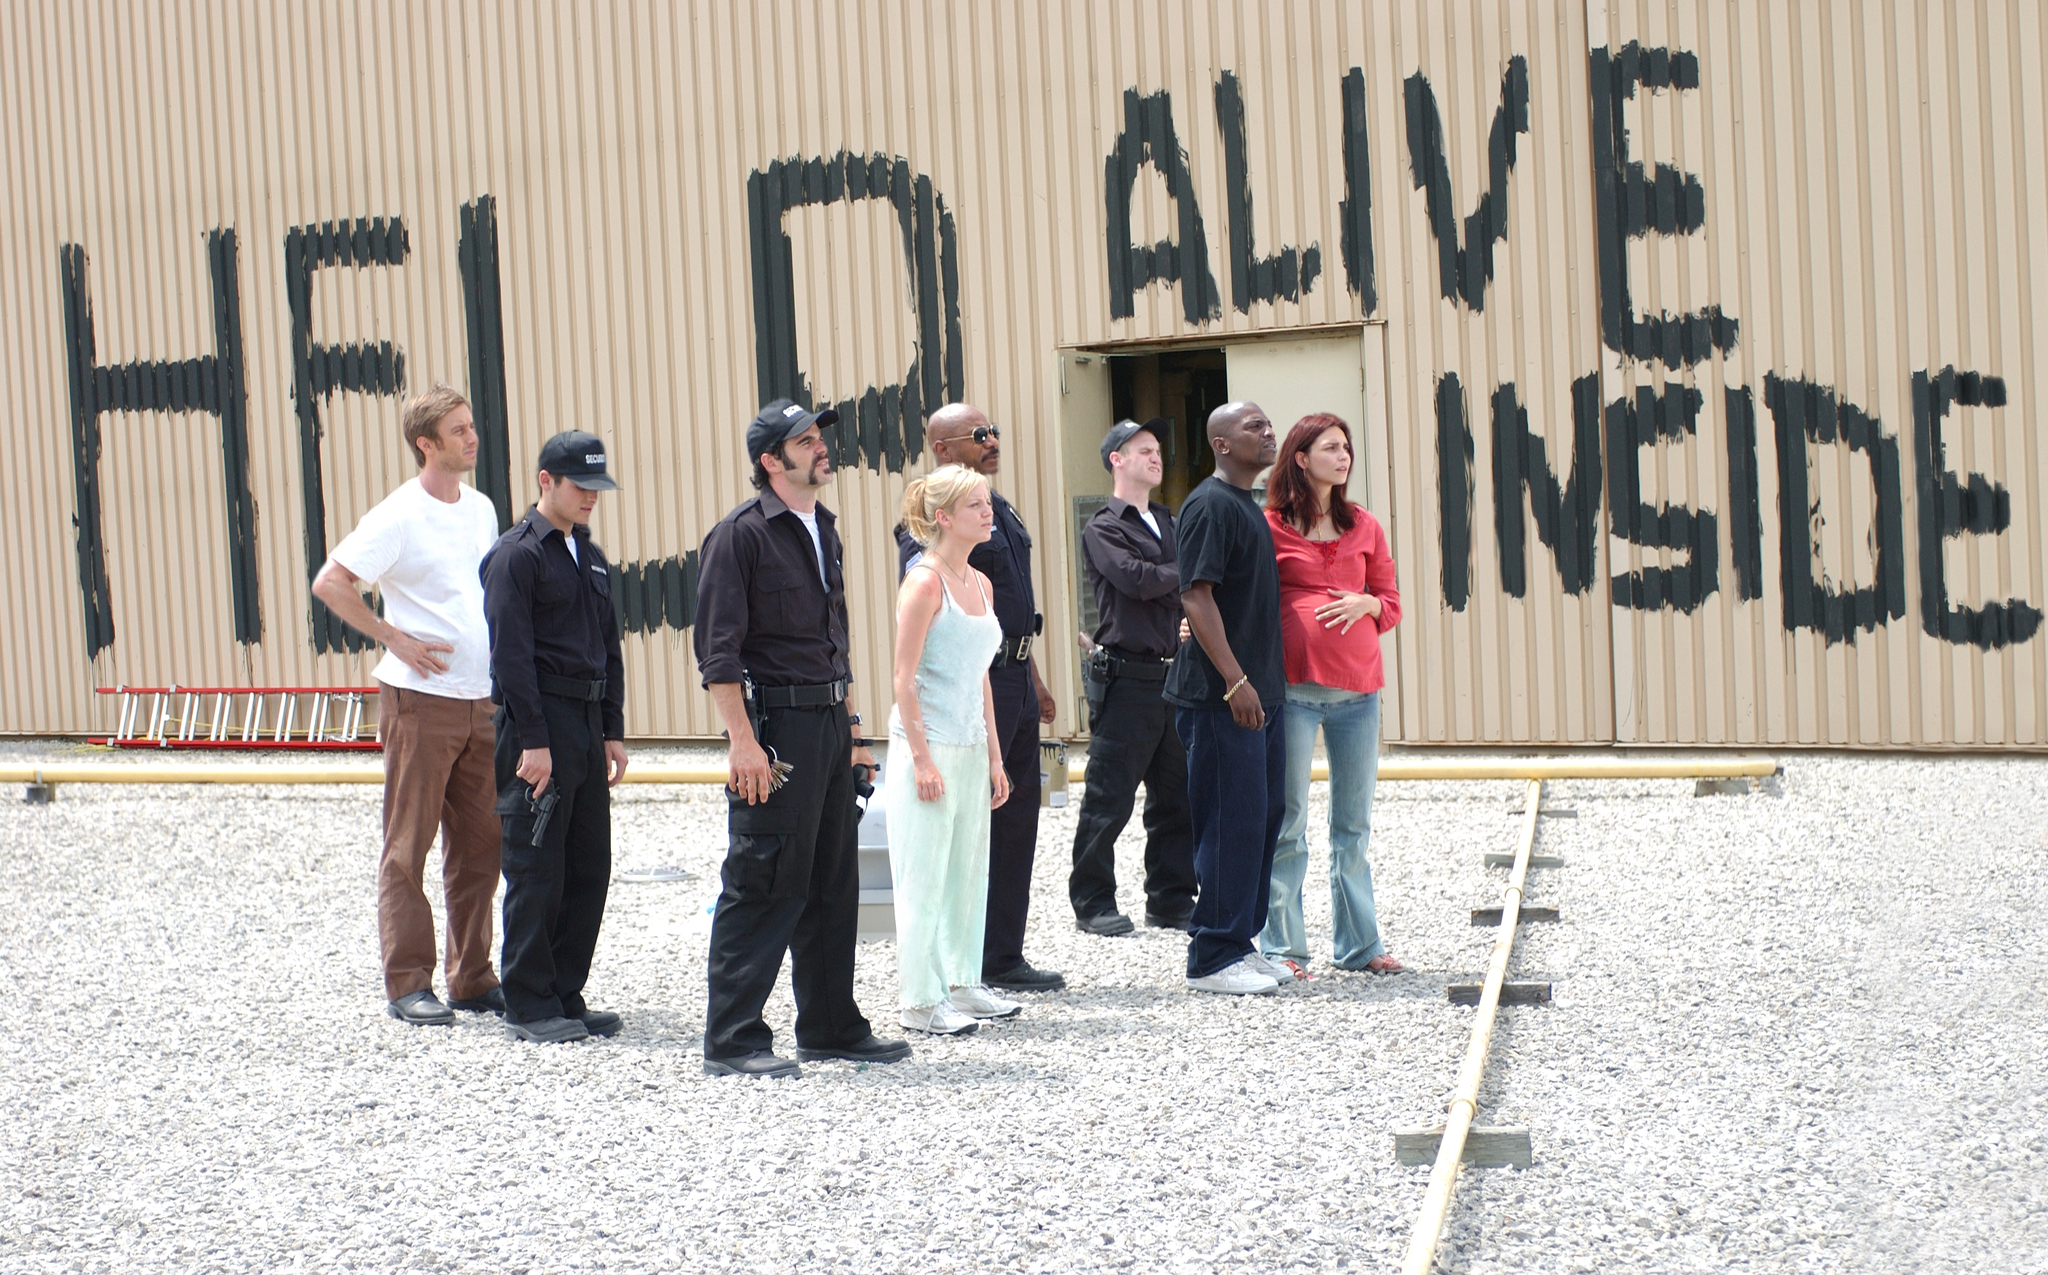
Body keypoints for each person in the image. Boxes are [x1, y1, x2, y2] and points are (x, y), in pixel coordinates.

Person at [695, 399, 910, 1078]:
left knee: (830, 881)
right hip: (774, 727)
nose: (821, 448)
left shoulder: (824, 529)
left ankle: (830, 1025)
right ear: (770, 459)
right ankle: (732, 1038)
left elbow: (833, 642)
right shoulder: (740, 536)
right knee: (763, 878)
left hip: (824, 721)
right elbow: (718, 653)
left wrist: (852, 730)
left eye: (820, 438)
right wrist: (742, 742)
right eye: (805, 441)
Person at [312, 385, 505, 1027]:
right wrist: (395, 638)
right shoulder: (397, 515)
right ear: (426, 444)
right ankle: (407, 982)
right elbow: (331, 582)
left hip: (480, 700)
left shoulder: (480, 508)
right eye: (457, 430)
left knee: (483, 846)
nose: (471, 438)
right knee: (409, 844)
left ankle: (472, 978)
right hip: (419, 703)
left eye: (471, 426)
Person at [893, 403, 1065, 994]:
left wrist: (1036, 677)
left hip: (1010, 675)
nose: (993, 441)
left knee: (1015, 818)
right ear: (942, 449)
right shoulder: (930, 532)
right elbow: (930, 635)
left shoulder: (998, 512)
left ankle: (1001, 955)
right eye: (978, 435)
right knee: (960, 833)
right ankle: (953, 968)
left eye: (995, 430)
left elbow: (998, 614)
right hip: (967, 690)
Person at [480, 430, 629, 1044]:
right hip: (538, 724)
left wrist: (613, 729)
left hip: (587, 724)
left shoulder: (585, 553)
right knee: (537, 863)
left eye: (598, 487)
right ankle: (528, 999)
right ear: (546, 481)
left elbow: (609, 646)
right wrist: (534, 742)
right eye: (580, 486)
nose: (591, 497)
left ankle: (565, 991)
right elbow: (510, 657)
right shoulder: (517, 555)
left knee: (588, 863)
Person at [1259, 415, 1405, 975]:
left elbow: (1390, 603)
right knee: (1289, 821)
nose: (1344, 456)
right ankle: (1285, 949)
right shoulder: (1269, 526)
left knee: (1352, 826)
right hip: (1293, 691)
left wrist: (1367, 604)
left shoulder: (1364, 524)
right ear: (1301, 457)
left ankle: (1361, 948)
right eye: (1331, 447)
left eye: (1347, 447)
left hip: (1358, 695)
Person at [1166, 401, 1295, 996]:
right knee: (1228, 821)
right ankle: (1213, 954)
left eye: (1269, 425)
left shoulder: (1249, 506)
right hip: (1223, 699)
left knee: (1262, 818)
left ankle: (1241, 940)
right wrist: (1236, 681)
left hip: (1262, 695)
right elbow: (1196, 597)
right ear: (1221, 443)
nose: (1267, 433)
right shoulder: (1210, 505)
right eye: (1253, 427)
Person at [886, 465, 1021, 1035]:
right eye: (974, 506)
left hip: (969, 744)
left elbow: (981, 676)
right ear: (942, 518)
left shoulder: (981, 584)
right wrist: (921, 759)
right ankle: (920, 999)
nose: (987, 512)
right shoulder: (923, 582)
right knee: (924, 874)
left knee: (969, 871)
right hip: (931, 743)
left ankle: (962, 983)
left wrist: (994, 755)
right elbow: (902, 678)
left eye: (987, 503)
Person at [1068, 419, 1196, 936]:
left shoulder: (1168, 520)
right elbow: (1136, 581)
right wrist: (1183, 577)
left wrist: (1172, 582)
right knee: (1109, 797)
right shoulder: (1103, 527)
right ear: (1116, 460)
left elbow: (1166, 583)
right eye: (1143, 450)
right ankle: (1093, 903)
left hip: (1175, 677)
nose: (1155, 457)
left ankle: (1170, 899)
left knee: (1177, 797)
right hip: (1128, 681)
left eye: (1158, 451)